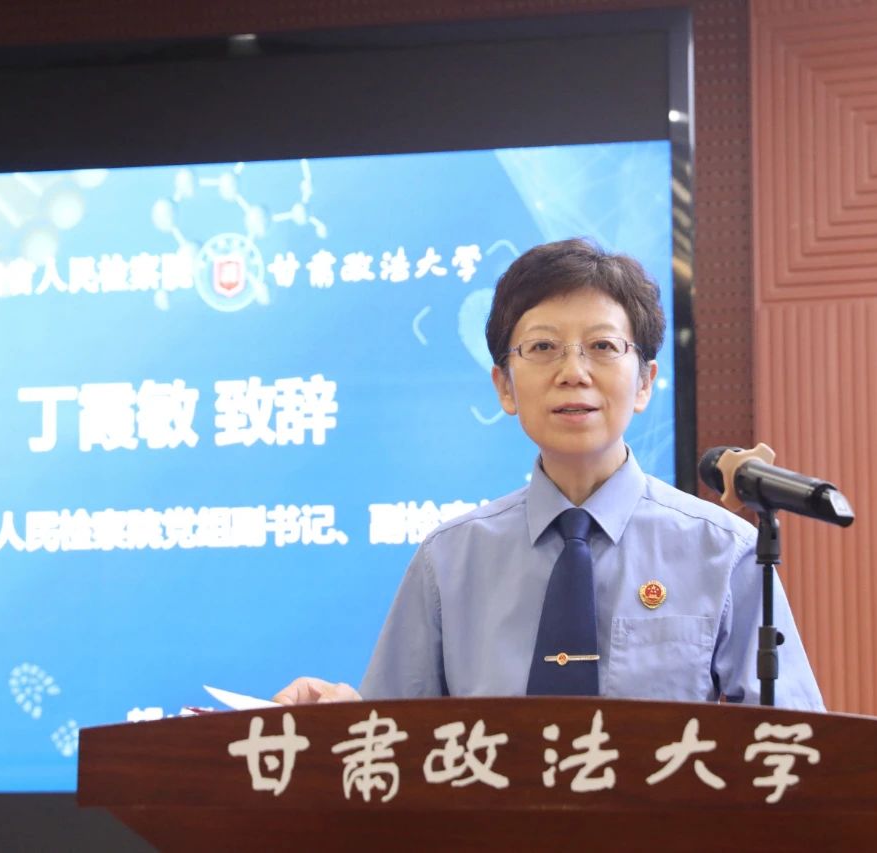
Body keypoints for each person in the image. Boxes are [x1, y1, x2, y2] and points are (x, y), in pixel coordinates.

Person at [274, 238, 823, 709]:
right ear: (505, 386)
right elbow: (392, 742)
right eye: (543, 347)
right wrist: (337, 720)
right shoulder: (449, 560)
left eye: (602, 346)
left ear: (645, 382)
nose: (573, 372)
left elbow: (795, 751)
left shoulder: (724, 552)